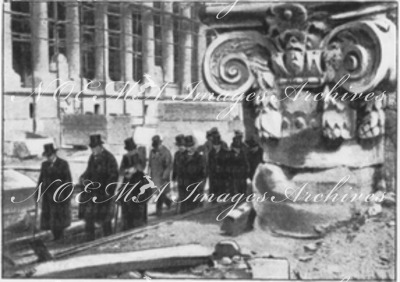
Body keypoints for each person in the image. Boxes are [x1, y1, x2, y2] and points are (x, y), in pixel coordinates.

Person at [80, 134, 119, 241]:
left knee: (105, 218)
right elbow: (88, 171)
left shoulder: (109, 158)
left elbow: (113, 176)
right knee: (89, 217)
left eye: (94, 147)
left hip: (104, 193)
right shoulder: (92, 157)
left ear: (100, 146)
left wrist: (108, 191)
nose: (93, 150)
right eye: (91, 148)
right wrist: (83, 177)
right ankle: (89, 238)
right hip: (93, 193)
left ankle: (108, 238)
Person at [37, 143, 72, 240]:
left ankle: (59, 236)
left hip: (59, 196)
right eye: (47, 156)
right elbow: (41, 181)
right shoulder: (44, 165)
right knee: (50, 217)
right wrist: (38, 194)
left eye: (50, 155)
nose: (49, 158)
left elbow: (68, 181)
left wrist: (67, 195)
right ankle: (55, 236)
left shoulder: (63, 164)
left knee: (59, 217)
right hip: (48, 196)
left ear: (54, 154)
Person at [118, 155, 152, 231]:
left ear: (134, 168)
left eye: (128, 168)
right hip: (126, 214)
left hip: (138, 213)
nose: (126, 171)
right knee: (126, 231)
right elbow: (122, 189)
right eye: (125, 168)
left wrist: (137, 199)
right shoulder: (126, 177)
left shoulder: (142, 177)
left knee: (137, 231)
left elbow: (148, 192)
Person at [148, 135, 172, 216]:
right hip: (154, 176)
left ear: (160, 144)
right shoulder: (152, 152)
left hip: (162, 177)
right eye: (154, 146)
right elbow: (150, 164)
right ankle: (168, 202)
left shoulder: (166, 152)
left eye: (157, 145)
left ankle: (159, 211)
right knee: (157, 193)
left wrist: (164, 177)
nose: (155, 147)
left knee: (160, 193)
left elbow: (168, 166)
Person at [181, 135, 206, 212]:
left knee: (197, 207)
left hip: (196, 184)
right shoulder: (182, 156)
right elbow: (180, 170)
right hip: (186, 184)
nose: (189, 148)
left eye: (191, 146)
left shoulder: (199, 157)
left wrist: (201, 184)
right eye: (187, 146)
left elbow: (204, 172)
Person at [245, 138, 264, 231]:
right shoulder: (249, 155)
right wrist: (248, 178)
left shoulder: (263, 154)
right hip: (253, 180)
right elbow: (247, 168)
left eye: (252, 148)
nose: (251, 150)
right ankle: (249, 224)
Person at [172, 134, 186, 213]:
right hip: (179, 178)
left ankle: (183, 210)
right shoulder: (177, 154)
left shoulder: (188, 154)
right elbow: (174, 167)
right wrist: (173, 178)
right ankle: (179, 210)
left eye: (182, 145)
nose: (181, 147)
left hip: (187, 178)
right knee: (179, 194)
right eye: (179, 145)